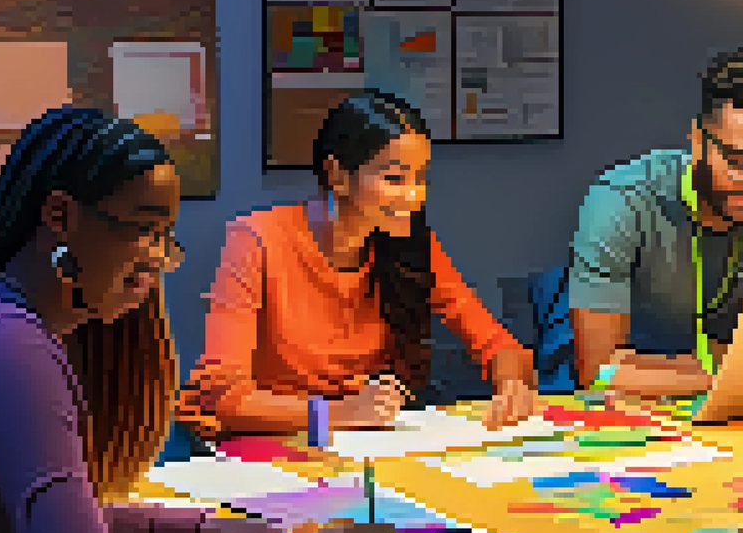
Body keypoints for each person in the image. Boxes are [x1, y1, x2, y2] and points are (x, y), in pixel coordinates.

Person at [0, 107, 391, 533]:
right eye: (144, 230)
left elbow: (39, 523)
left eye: (165, 236)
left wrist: (208, 527)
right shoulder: (14, 346)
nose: (158, 260)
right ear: (60, 216)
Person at [182, 92, 538, 438]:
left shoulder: (410, 242)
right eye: (394, 178)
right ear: (336, 175)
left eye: (421, 178)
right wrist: (341, 412)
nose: (414, 196)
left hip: (365, 443)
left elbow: (496, 343)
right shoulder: (257, 240)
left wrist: (510, 383)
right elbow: (220, 396)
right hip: (271, 442)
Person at [569, 48, 743, 398]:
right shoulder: (621, 201)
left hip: (732, 415)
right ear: (698, 139)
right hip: (616, 421)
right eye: (740, 162)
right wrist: (726, 380)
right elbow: (600, 374)